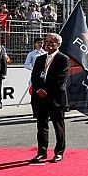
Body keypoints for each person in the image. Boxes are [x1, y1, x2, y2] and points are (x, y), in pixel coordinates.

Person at [29, 33, 70, 163]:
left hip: (55, 97)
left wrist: (46, 90)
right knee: (41, 125)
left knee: (58, 125)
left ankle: (59, 152)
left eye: (51, 42)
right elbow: (34, 76)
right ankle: (42, 152)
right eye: (46, 42)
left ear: (58, 44)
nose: (48, 44)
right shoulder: (40, 59)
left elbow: (60, 80)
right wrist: (38, 89)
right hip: (40, 97)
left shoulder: (63, 59)